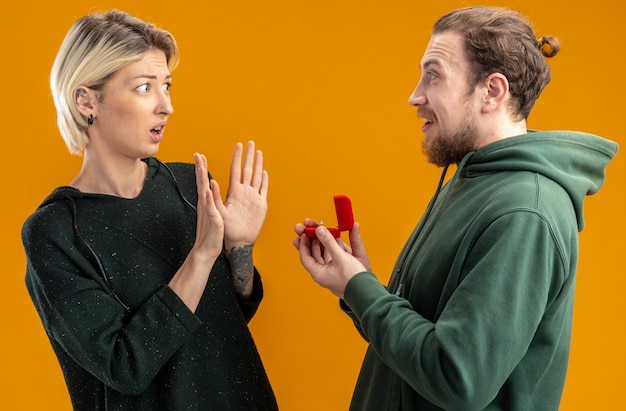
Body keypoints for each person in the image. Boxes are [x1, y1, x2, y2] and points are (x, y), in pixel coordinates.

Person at [293, 5, 618, 410]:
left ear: (492, 91)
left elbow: (456, 378)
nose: (415, 96)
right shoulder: (473, 180)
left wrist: (360, 289)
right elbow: (418, 352)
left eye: (433, 75)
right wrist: (357, 285)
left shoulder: (524, 213)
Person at [22, 10, 278, 410]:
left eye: (167, 86)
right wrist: (201, 256)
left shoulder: (188, 184)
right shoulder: (54, 231)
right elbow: (125, 366)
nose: (166, 106)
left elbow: (219, 321)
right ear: (86, 100)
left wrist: (238, 248)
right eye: (144, 88)